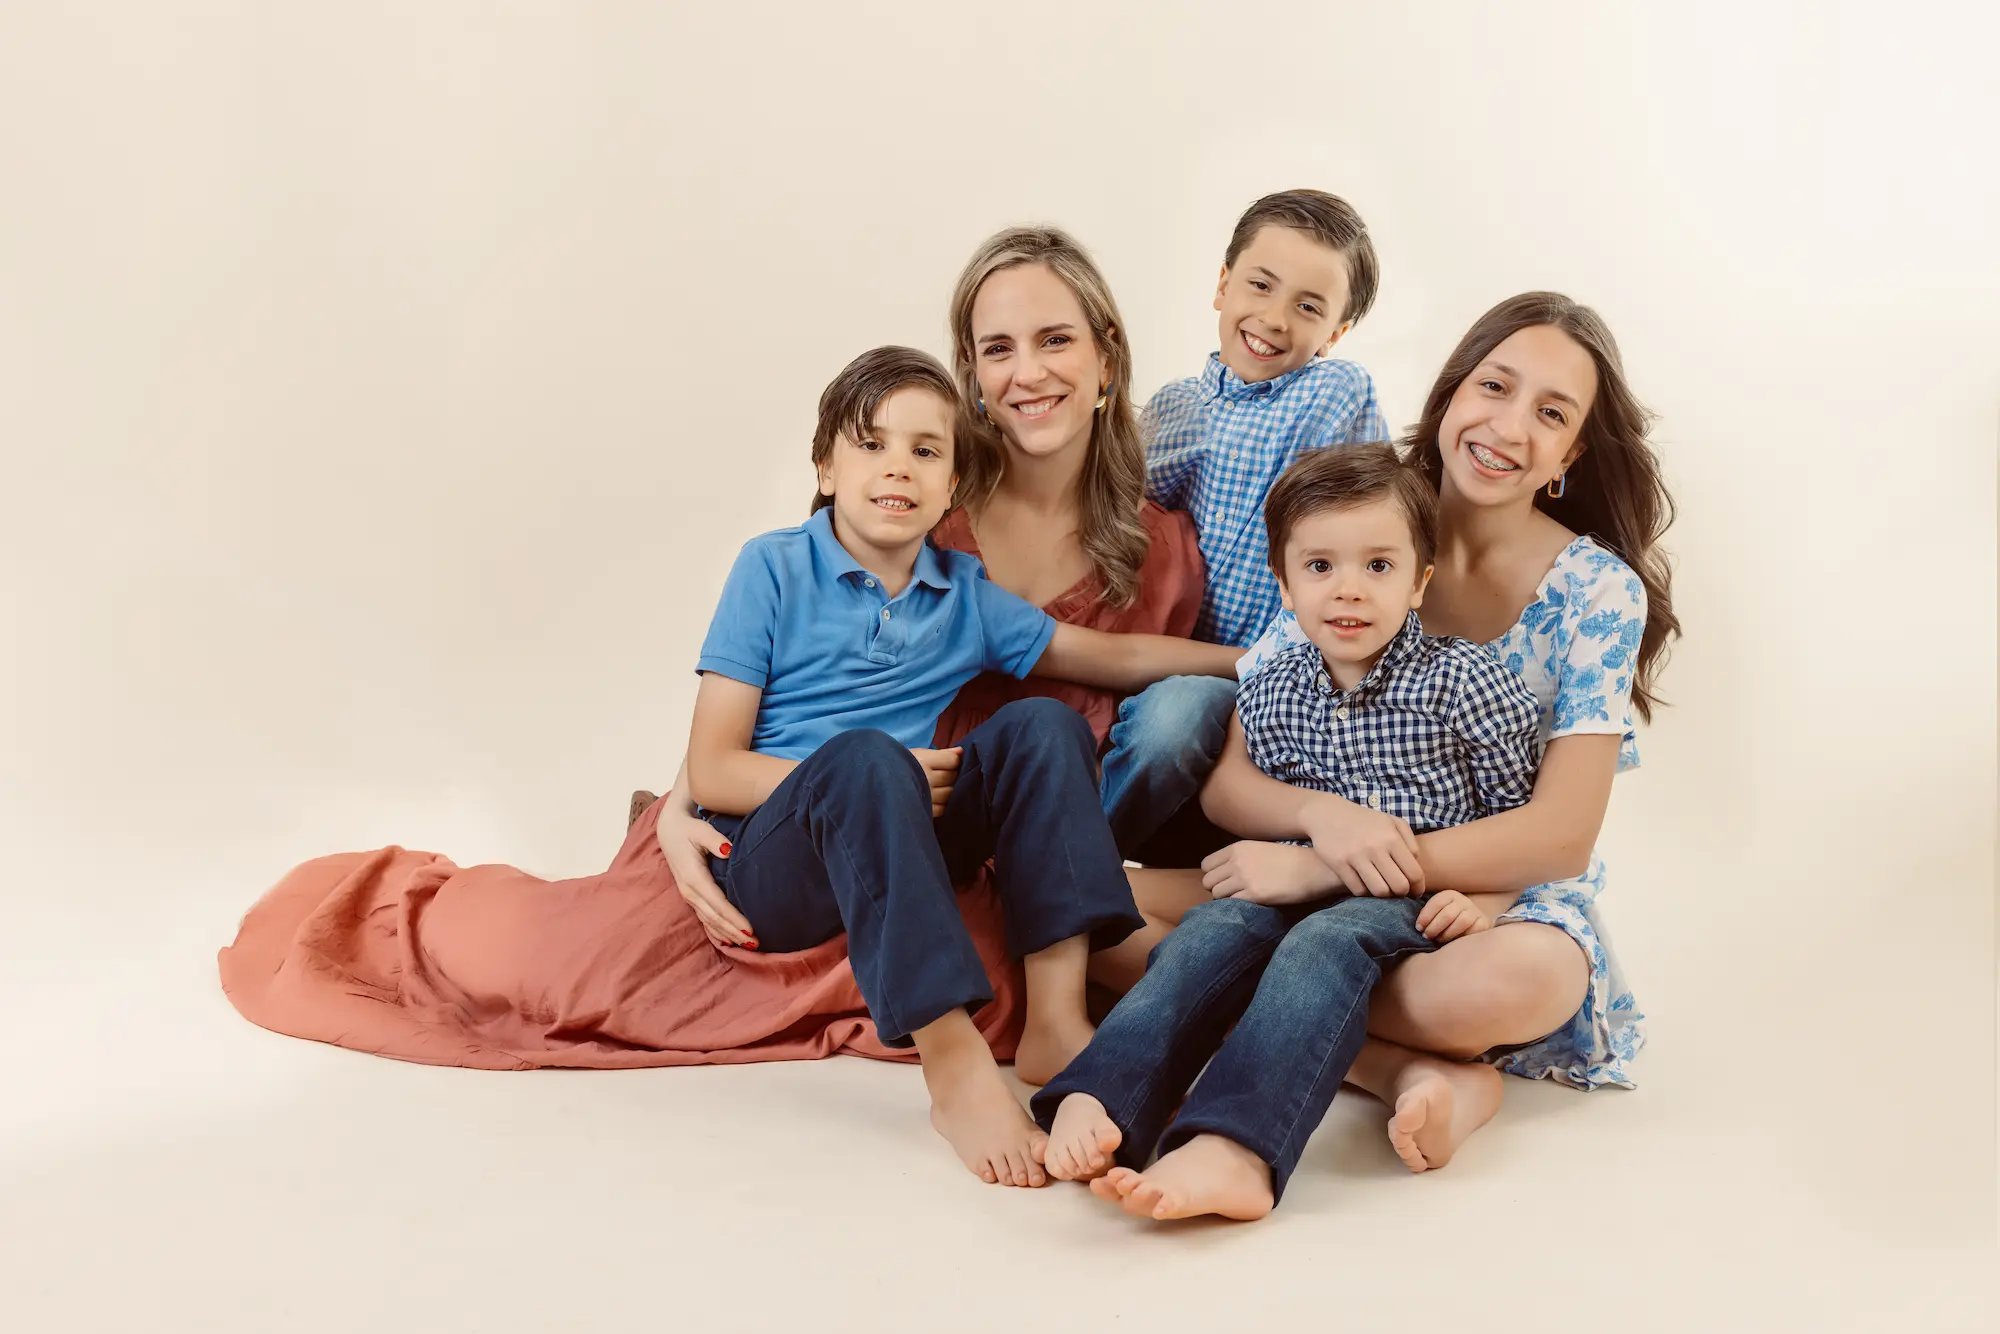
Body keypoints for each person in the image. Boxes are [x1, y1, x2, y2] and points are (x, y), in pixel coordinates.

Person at [1135, 291, 1681, 1173]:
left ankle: (1267, 1005)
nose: (1510, 426)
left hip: (1479, 898)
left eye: (1551, 414)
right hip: (1304, 879)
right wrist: (1320, 821)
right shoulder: (1360, 520)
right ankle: (1399, 1068)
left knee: (1523, 981)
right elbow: (1232, 783)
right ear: (1452, 391)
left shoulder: (1598, 591)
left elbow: (1560, 836)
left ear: (1571, 455)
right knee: (1094, 918)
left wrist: (1327, 868)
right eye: (1494, 386)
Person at [682, 344, 1233, 1186]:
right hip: (778, 857)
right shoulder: (774, 566)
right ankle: (954, 1064)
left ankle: (1056, 1021)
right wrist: (884, 769)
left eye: (925, 450)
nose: (897, 467)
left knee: (1043, 723)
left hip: (903, 828)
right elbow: (716, 770)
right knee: (865, 759)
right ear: (826, 468)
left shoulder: (961, 590)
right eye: (871, 444)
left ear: (953, 488)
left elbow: (1111, 657)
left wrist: (1260, 657)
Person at [1032, 445, 1541, 1220]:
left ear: (1419, 582)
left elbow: (1517, 820)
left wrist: (1488, 902)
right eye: (1320, 566)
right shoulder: (1273, 687)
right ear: (1285, 583)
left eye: (1378, 566)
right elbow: (1248, 796)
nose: (1348, 589)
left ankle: (1238, 1147)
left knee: (1322, 942)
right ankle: (1104, 1095)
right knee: (1211, 933)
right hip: (1294, 875)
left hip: (1411, 894)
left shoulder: (1466, 681)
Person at [1108, 188, 1390, 861]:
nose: (1274, 318)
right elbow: (1119, 522)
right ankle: (1057, 850)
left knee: (1181, 718)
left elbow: (1361, 530)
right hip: (1165, 658)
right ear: (1222, 284)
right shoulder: (1172, 408)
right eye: (1260, 286)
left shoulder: (1331, 392)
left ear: (1335, 333)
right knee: (1154, 718)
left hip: (1280, 670)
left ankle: (1074, 863)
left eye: (1309, 307)